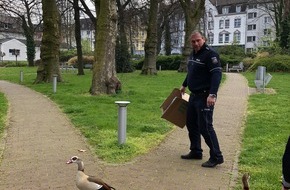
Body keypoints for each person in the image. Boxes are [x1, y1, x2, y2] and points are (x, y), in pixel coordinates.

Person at [180, 31, 224, 168]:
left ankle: (217, 156)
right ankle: (196, 151)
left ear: (203, 39)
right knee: (191, 123)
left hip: (205, 97)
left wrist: (213, 94)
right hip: (193, 96)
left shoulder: (211, 54)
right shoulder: (194, 53)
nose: (196, 43)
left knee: (205, 127)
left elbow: (216, 75)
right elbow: (191, 71)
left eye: (198, 40)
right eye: (193, 41)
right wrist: (184, 84)